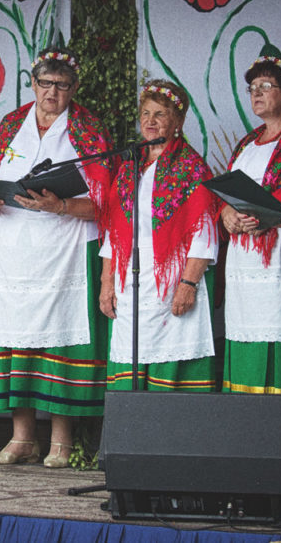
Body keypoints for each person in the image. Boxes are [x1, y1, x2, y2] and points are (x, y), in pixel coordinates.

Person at [0, 48, 113, 469]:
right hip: (14, 250)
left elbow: (109, 202)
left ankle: (61, 441)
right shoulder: (8, 127)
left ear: (74, 88)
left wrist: (62, 206)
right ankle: (22, 438)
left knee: (60, 339)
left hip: (65, 248)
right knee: (16, 337)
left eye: (62, 85)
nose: (52, 92)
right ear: (33, 83)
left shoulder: (89, 132)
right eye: (45, 83)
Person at [100, 81, 220, 393]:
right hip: (130, 281)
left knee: (172, 355)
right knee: (130, 359)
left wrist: (188, 284)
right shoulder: (130, 166)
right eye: (145, 113)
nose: (150, 121)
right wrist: (106, 282)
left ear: (178, 121)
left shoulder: (191, 168)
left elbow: (204, 232)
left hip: (173, 280)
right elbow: (114, 230)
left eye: (160, 114)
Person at [221, 46, 281, 394]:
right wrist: (227, 214)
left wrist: (267, 216)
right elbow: (227, 193)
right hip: (244, 260)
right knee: (244, 330)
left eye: (266, 86)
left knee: (279, 328)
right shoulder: (247, 142)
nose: (257, 94)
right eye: (252, 88)